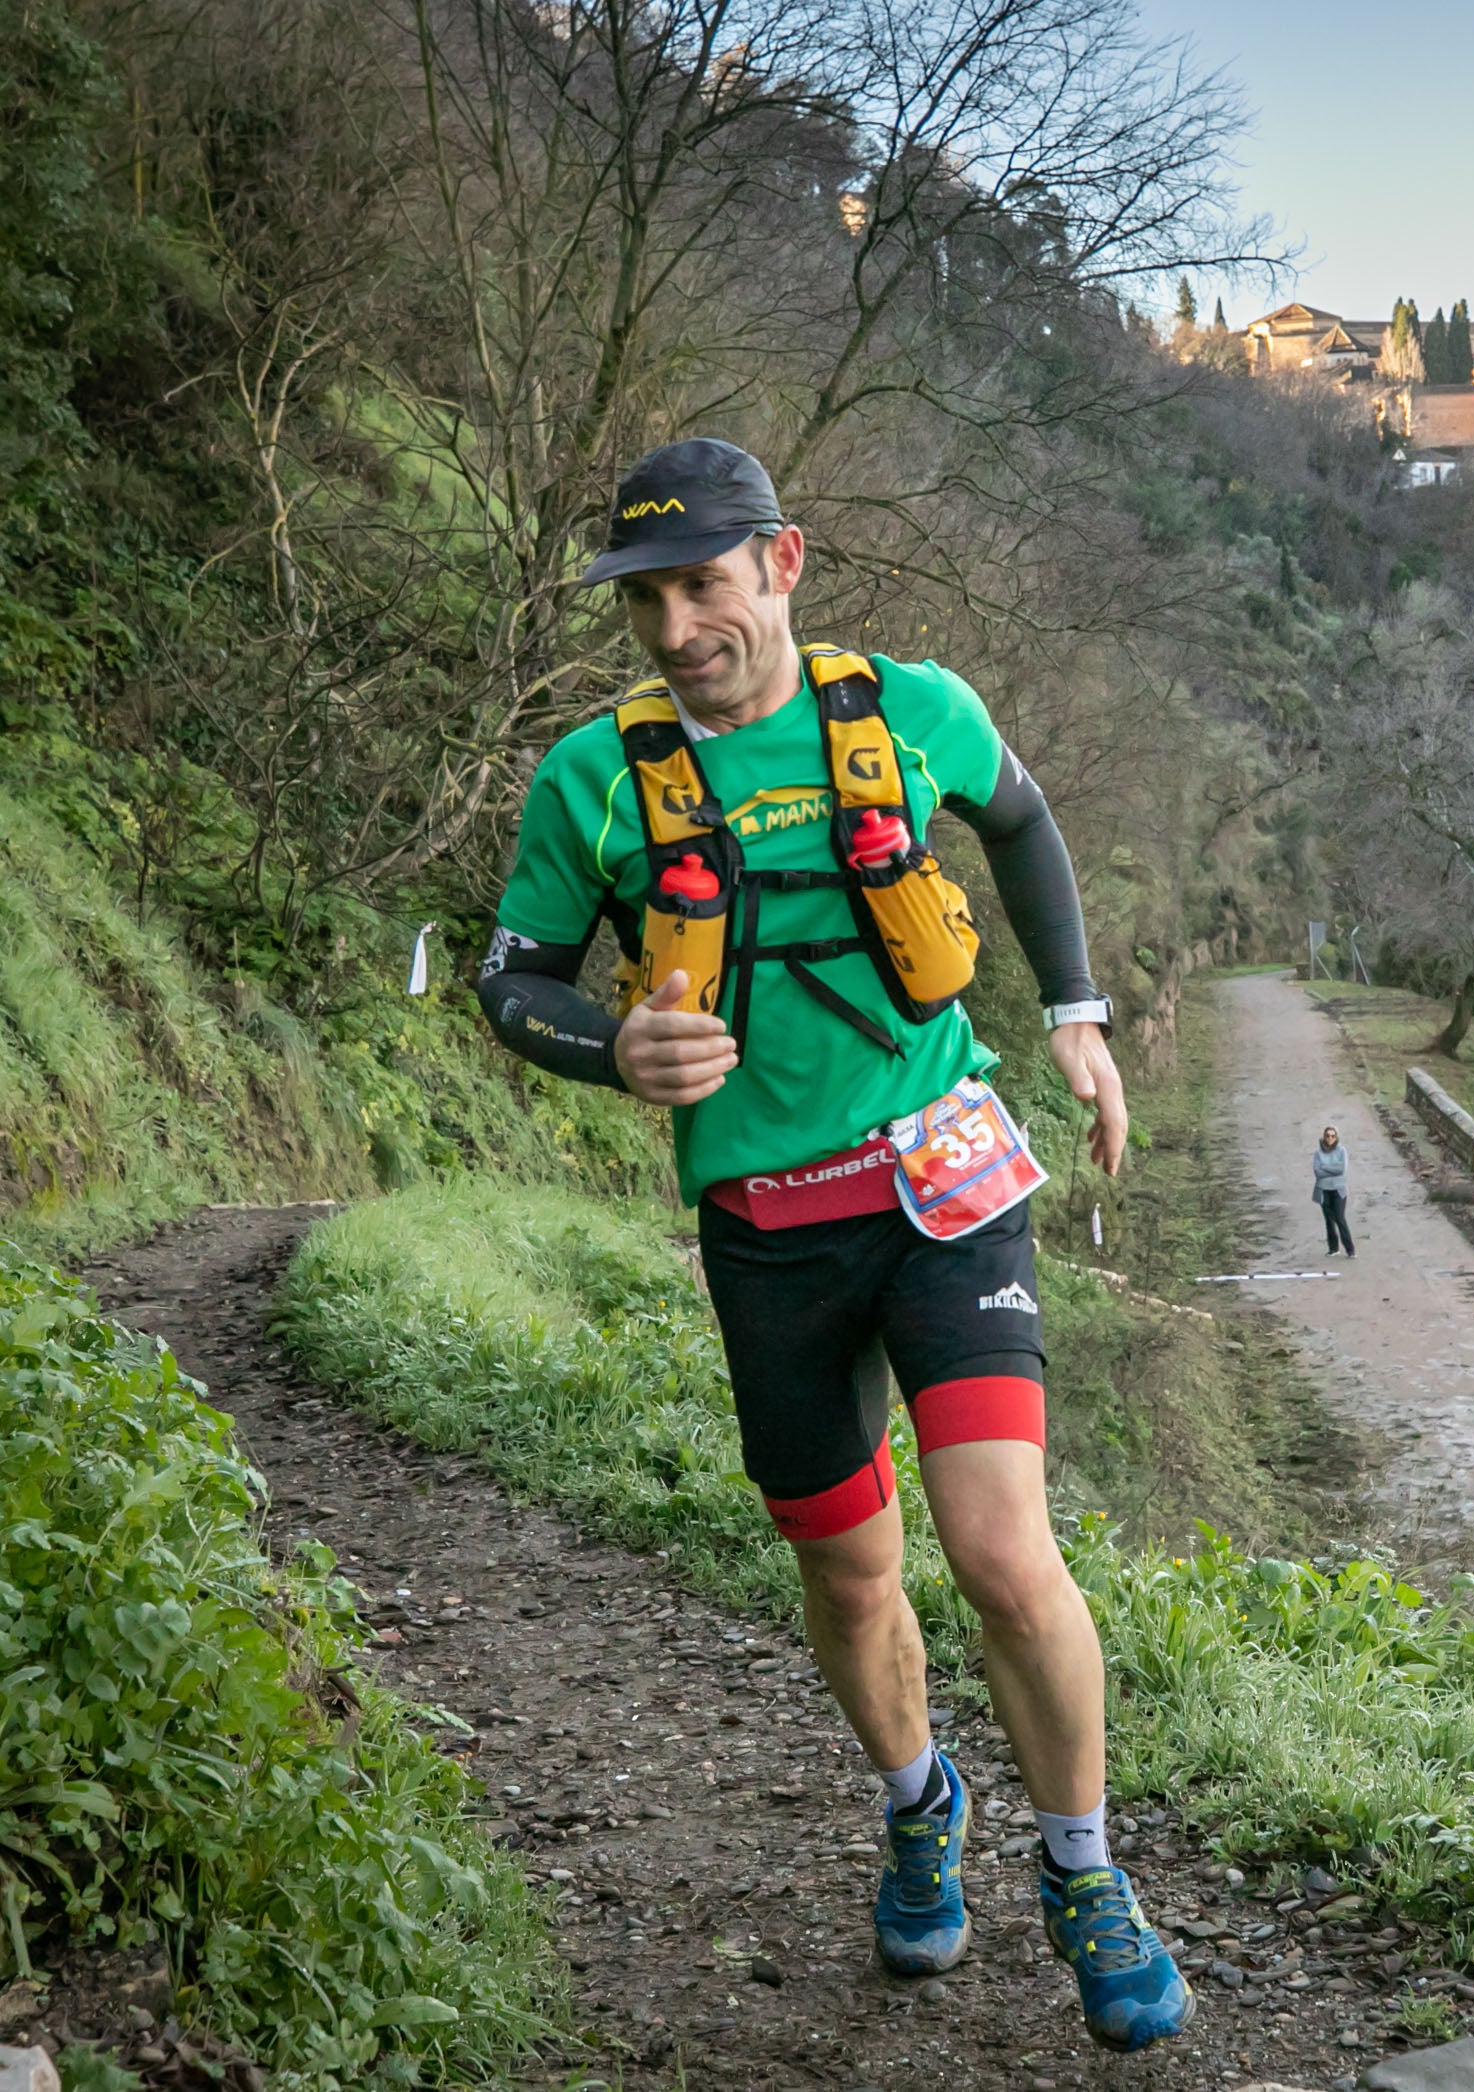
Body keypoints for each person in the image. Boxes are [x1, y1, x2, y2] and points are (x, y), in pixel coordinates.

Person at [474, 438, 1191, 2051]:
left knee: (1003, 1551)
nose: (674, 627)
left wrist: (1075, 1016)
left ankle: (1084, 1869)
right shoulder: (587, 774)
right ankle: (917, 1795)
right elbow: (514, 977)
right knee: (852, 1569)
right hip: (768, 1227)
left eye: (703, 586)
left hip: (943, 1180)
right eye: (646, 599)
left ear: (781, 565)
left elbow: (1023, 822)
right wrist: (608, 1049)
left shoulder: (913, 708)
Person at [1312, 1125, 1355, 1257]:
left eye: (1333, 1136)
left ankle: (1350, 1250)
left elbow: (1342, 1170)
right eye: (1327, 1135)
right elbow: (1317, 1172)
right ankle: (1333, 1248)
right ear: (1323, 1137)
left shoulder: (1342, 1150)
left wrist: (1324, 1166)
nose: (1330, 1138)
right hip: (1323, 1189)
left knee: (1340, 1218)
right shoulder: (1318, 1153)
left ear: (1336, 1137)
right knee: (1328, 1220)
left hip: (1338, 1190)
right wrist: (1332, 1168)